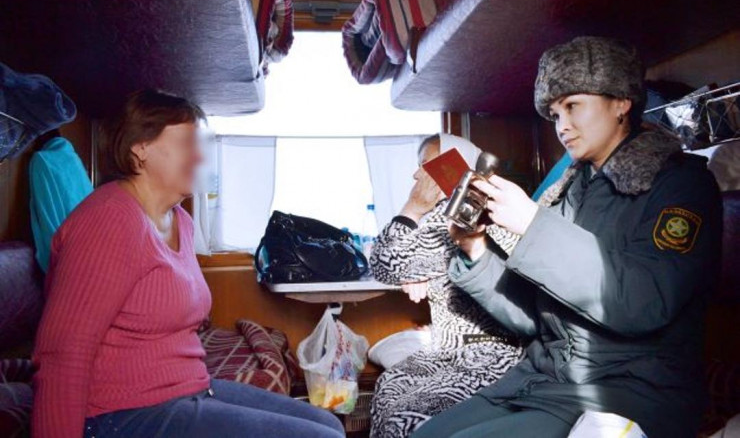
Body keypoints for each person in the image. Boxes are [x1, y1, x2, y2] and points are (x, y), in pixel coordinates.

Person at [413, 37, 723, 438]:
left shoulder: (681, 186)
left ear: (621, 102)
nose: (562, 126)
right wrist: (475, 249)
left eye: (573, 106)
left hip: (628, 390)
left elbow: (644, 302)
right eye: (555, 113)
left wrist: (533, 224)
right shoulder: (571, 192)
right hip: (545, 381)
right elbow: (532, 320)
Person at [32, 89, 345, 438]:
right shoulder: (108, 221)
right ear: (141, 148)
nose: (199, 156)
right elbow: (62, 353)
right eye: (185, 143)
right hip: (122, 412)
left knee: (330, 424)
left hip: (187, 388)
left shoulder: (180, 219)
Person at [369, 133, 523, 438]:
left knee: (401, 413)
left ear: (457, 166)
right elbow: (410, 261)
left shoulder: (463, 212)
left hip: (486, 357)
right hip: (457, 350)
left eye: (426, 165)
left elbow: (384, 263)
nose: (416, 175)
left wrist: (412, 207)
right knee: (389, 387)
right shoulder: (465, 209)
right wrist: (417, 271)